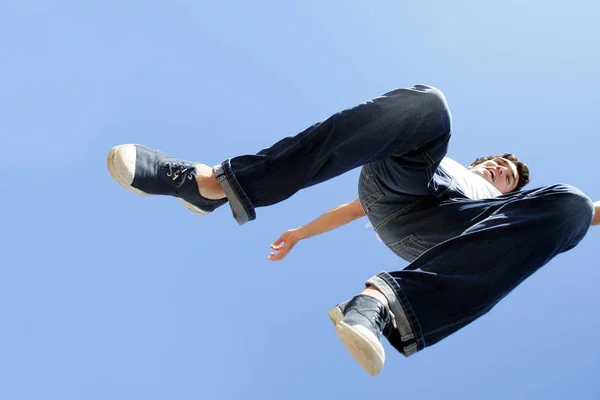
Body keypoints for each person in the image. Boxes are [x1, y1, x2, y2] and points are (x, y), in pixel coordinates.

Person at [107, 85, 599, 377]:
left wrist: (544, 204)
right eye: (494, 164)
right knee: (429, 107)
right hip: (399, 192)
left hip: (449, 231)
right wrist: (300, 232)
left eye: (506, 175)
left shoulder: (509, 206)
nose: (497, 170)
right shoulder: (446, 163)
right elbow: (356, 207)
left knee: (573, 206)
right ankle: (213, 184)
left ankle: (381, 306)